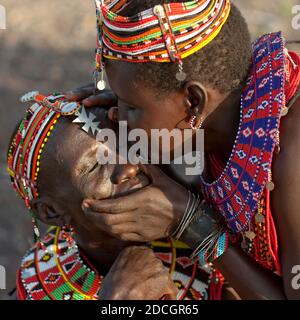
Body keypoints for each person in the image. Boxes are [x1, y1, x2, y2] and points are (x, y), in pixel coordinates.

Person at [65, 0, 300, 299]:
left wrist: (193, 223)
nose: (116, 115)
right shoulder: (231, 109)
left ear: (192, 102)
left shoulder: (292, 161)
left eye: (131, 105)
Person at [7, 92, 228, 300]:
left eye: (127, 143)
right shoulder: (35, 288)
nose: (130, 166)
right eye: (95, 166)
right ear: (51, 212)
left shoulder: (197, 209)